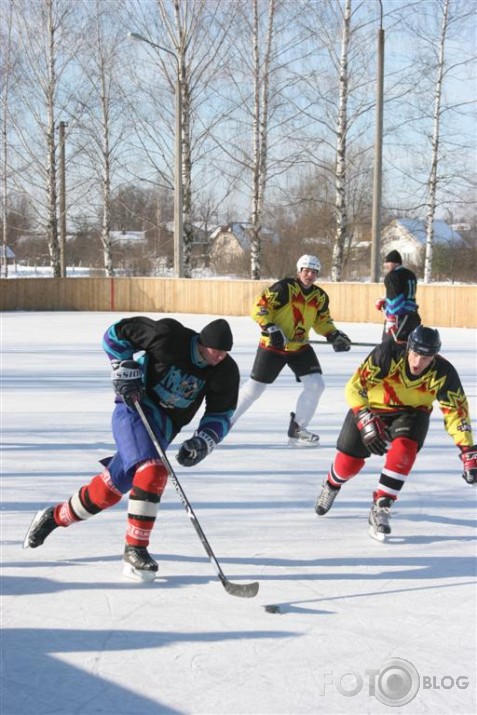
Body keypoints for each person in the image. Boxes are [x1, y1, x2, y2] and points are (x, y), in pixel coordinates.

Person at [24, 316, 239, 581]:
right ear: (200, 343)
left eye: (224, 353)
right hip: (135, 408)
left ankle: (54, 517)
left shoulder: (225, 371)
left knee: (109, 491)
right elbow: (115, 335)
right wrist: (124, 366)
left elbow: (221, 414)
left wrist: (203, 441)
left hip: (163, 429)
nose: (218, 357)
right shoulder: (169, 336)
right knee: (153, 472)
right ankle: (135, 550)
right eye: (214, 351)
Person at [314, 325, 476, 540]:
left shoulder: (444, 373)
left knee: (404, 450)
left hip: (411, 413)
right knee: (348, 464)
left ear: (435, 356)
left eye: (427, 358)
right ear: (408, 348)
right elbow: (354, 387)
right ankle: (332, 485)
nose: (419, 363)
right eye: (416, 354)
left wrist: (468, 451)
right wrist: (364, 417)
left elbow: (456, 413)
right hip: (372, 407)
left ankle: (382, 504)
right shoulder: (387, 353)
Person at [231, 254, 351, 447]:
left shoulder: (320, 296)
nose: (310, 275)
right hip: (274, 345)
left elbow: (322, 321)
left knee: (316, 385)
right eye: (306, 271)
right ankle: (223, 422)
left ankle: (298, 429)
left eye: (314, 272)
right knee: (254, 389)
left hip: (299, 347)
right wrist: (270, 327)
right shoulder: (284, 287)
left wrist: (334, 335)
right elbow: (260, 308)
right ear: (299, 271)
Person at [375, 250, 421, 342]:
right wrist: (385, 300)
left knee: (389, 348)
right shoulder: (410, 274)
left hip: (400, 319)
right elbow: (404, 294)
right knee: (410, 349)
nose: (386, 265)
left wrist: (391, 319)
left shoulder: (392, 276)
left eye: (388, 262)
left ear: (396, 263)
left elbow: (394, 299)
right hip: (413, 317)